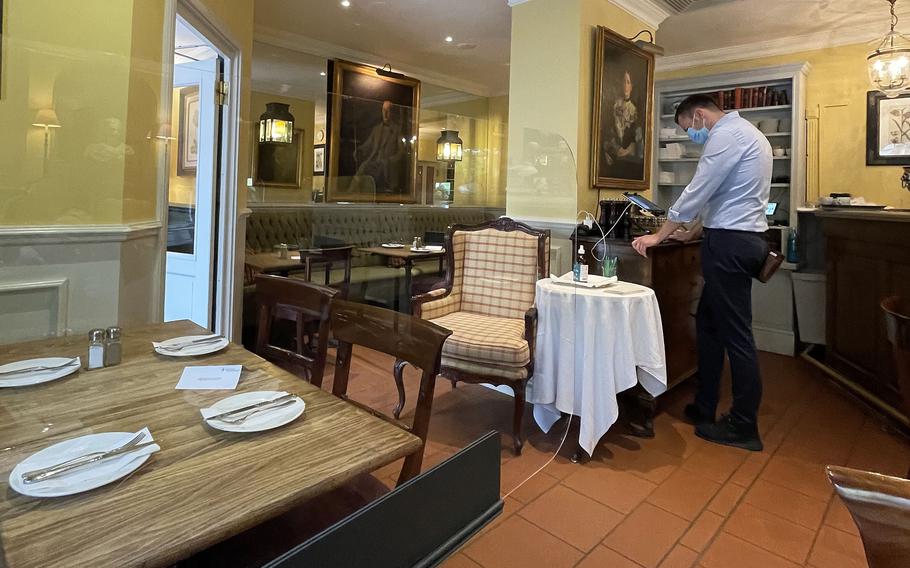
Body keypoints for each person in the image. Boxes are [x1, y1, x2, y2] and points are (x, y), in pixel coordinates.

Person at [631, 93, 772, 452]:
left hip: (730, 245)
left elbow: (698, 190)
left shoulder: (726, 135)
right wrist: (691, 232)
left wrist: (660, 234)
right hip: (738, 239)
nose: (692, 135)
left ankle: (744, 425)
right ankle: (705, 405)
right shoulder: (749, 133)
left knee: (737, 335)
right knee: (709, 325)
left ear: (698, 116)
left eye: (687, 129)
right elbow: (726, 197)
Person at [602, 70, 643, 180]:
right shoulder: (613, 106)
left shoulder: (635, 109)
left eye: (628, 82)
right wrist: (615, 148)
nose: (625, 85)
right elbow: (608, 130)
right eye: (623, 82)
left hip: (630, 159)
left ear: (631, 86)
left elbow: (638, 135)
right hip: (615, 155)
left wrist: (630, 149)